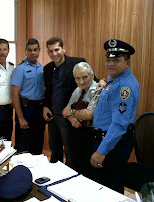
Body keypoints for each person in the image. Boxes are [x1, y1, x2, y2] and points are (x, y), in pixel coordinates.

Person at [43, 37, 105, 168]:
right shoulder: (47, 68)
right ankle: (55, 178)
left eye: (57, 50)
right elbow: (48, 91)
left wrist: (102, 81)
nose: (54, 54)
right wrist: (45, 106)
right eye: (50, 51)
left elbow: (92, 78)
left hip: (71, 117)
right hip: (54, 117)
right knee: (55, 150)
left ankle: (70, 178)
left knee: (71, 152)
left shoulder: (77, 62)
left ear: (63, 49)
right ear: (47, 52)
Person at [90, 39, 140, 194]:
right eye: (108, 60)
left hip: (113, 144)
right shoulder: (114, 80)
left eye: (116, 61)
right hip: (108, 140)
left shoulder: (124, 87)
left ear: (128, 63)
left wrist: (101, 151)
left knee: (109, 189)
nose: (110, 64)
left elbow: (118, 125)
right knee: (103, 186)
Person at [62, 62, 102, 178]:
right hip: (77, 133)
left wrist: (72, 113)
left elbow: (89, 115)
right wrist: (72, 119)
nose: (81, 82)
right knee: (75, 167)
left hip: (92, 136)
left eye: (85, 77)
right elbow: (65, 111)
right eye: (78, 78)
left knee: (88, 172)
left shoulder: (98, 90)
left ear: (92, 76)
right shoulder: (77, 90)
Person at [12, 38, 45, 154]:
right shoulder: (20, 69)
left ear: (39, 50)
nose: (33, 53)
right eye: (30, 50)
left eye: (35, 50)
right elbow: (14, 94)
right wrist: (20, 118)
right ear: (25, 51)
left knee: (37, 145)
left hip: (39, 110)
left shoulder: (42, 69)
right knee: (23, 147)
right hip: (26, 109)